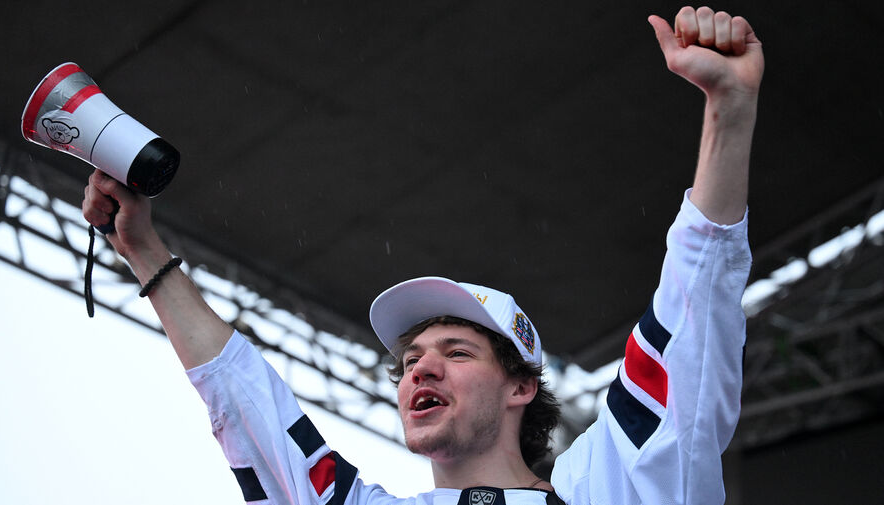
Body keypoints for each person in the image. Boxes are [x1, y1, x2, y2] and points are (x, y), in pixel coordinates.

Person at [82, 6, 763, 505]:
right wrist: (143, 251)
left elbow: (690, 324)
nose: (420, 369)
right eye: (409, 362)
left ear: (521, 387)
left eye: (457, 352)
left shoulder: (606, 489)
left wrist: (728, 112)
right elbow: (246, 399)